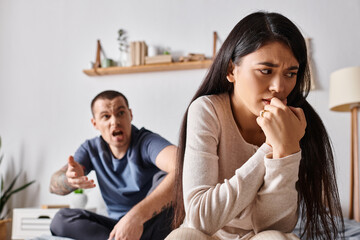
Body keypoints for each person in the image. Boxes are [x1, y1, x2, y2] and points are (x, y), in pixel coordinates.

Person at [166, 11, 344, 240]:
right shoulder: (207, 110)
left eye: (291, 73)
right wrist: (271, 146)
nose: (279, 87)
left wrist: (285, 151)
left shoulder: (298, 122)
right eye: (266, 71)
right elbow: (201, 218)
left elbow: (275, 225)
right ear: (232, 70)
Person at [49, 90, 177, 240]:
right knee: (61, 219)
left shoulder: (147, 142)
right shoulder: (91, 149)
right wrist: (69, 179)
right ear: (95, 123)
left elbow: (183, 167)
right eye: (106, 116)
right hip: (115, 229)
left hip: (150, 221)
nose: (114, 121)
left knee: (169, 178)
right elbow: (53, 185)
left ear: (130, 115)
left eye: (121, 113)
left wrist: (136, 217)